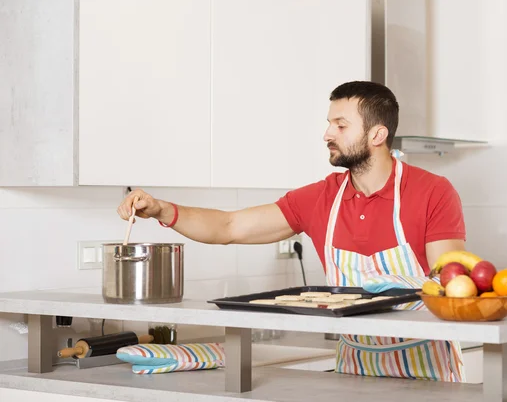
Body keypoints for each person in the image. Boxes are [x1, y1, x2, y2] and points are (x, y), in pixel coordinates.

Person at [117, 81, 466, 382]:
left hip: (427, 367)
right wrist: (163, 209)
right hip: (356, 367)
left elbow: (447, 279)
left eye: (340, 125)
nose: (327, 134)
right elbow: (229, 226)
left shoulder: (432, 192)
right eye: (329, 123)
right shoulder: (320, 197)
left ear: (377, 134)